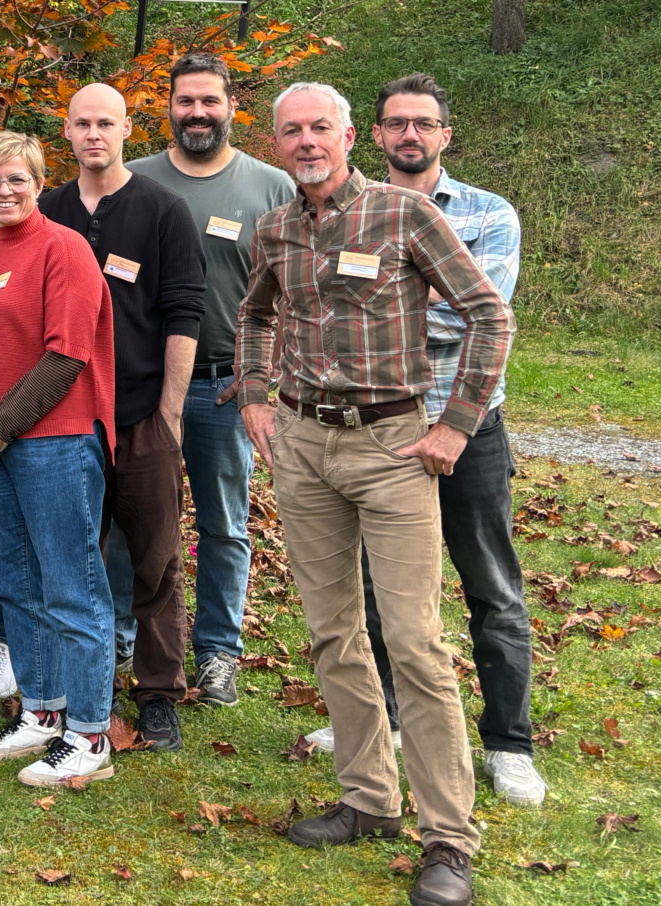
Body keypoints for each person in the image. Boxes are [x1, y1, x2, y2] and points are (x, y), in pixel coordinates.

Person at [238, 82, 512, 906]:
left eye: (321, 127)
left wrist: (456, 425)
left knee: (417, 643)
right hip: (304, 443)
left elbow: (487, 316)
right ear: (277, 141)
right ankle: (367, 800)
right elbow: (254, 316)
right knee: (332, 632)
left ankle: (448, 840)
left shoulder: (404, 215)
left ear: (350, 134)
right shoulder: (277, 227)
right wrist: (255, 393)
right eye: (293, 131)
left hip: (395, 445)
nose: (308, 141)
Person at [295, 74, 543, 808]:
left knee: (489, 585)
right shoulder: (347, 211)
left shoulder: (488, 214)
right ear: (372, 135)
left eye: (423, 124)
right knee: (376, 589)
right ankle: (388, 723)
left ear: (445, 133)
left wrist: (378, 309)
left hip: (462, 427)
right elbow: (324, 314)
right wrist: (404, 298)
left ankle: (509, 743)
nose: (409, 134)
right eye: (396, 123)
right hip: (380, 431)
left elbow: (474, 315)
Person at [121, 52, 296, 706]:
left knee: (223, 525)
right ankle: (122, 637)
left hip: (224, 387)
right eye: (185, 101)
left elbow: (298, 286)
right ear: (166, 107)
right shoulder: (132, 180)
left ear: (230, 108)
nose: (197, 113)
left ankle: (218, 651)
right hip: (140, 386)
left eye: (209, 102)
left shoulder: (270, 188)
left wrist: (269, 368)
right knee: (130, 520)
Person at [38, 83, 204, 752]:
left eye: (106, 122)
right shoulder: (47, 210)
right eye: (82, 123)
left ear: (128, 127)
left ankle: (159, 692)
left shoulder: (164, 210)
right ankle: (82, 686)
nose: (94, 134)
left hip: (139, 415)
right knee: (71, 562)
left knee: (155, 560)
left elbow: (184, 314)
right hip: (68, 418)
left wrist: (168, 413)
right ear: (67, 132)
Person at [0, 131, 118, 785]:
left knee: (71, 588)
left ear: (40, 182)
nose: (4, 190)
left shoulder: (64, 250)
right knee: (15, 586)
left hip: (54, 443)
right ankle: (42, 715)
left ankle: (90, 735)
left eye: (17, 178)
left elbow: (67, 355)